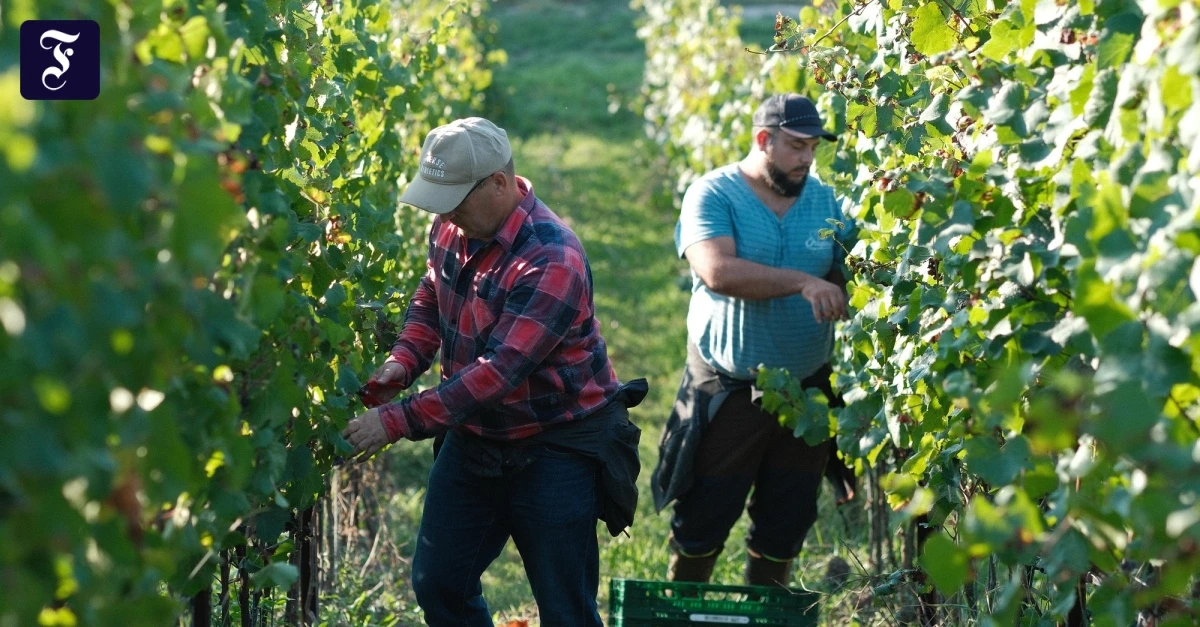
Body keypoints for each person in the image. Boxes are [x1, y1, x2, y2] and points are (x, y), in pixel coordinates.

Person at [341, 117, 646, 627]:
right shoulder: (451, 223)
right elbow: (432, 294)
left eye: (457, 199)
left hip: (556, 443)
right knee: (438, 584)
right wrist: (405, 359)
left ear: (500, 184)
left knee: (565, 608)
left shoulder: (551, 257)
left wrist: (394, 421)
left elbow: (497, 373)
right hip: (476, 435)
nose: (447, 213)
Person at [651, 94, 855, 587]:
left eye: (813, 148)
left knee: (787, 520)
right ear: (763, 140)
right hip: (730, 385)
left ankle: (765, 613)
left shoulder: (827, 201)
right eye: (796, 146)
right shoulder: (714, 194)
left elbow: (853, 266)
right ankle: (683, 609)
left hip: (806, 389)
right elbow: (717, 271)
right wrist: (804, 282)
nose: (807, 158)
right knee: (704, 515)